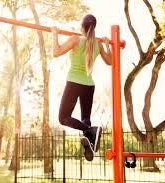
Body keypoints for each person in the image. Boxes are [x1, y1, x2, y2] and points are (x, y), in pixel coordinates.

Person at [51, 14, 112, 161]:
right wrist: (107, 45)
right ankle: (91, 141)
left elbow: (56, 52)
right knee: (85, 118)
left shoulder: (75, 39)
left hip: (74, 83)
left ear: (82, 27)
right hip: (89, 86)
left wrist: (54, 34)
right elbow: (110, 61)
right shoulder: (97, 44)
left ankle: (90, 131)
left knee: (63, 118)